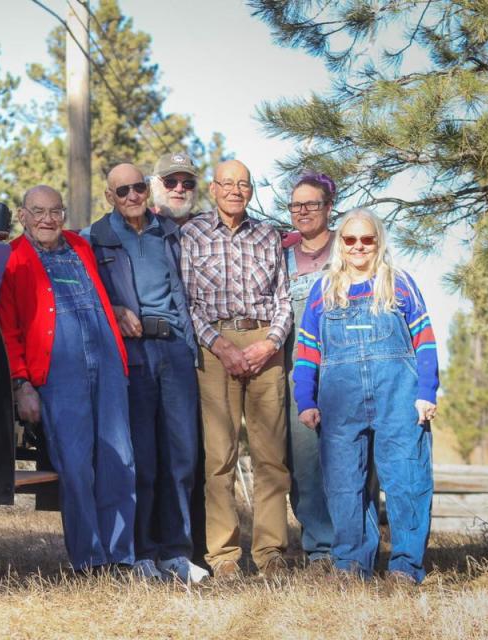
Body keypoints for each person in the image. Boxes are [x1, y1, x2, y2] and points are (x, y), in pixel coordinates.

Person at [0, 185, 137, 573]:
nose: (47, 219)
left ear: (64, 214)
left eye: (55, 211)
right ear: (23, 216)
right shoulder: (12, 260)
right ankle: (90, 559)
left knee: (119, 459)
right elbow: (7, 329)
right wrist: (22, 384)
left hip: (106, 360)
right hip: (59, 369)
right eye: (38, 212)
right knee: (75, 464)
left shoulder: (81, 246)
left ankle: (120, 556)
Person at [293, 208, 438, 584]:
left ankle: (406, 567)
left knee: (407, 479)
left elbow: (424, 341)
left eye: (367, 239)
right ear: (340, 243)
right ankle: (351, 566)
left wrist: (426, 391)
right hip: (341, 403)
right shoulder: (322, 290)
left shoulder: (399, 283)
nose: (359, 246)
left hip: (398, 398)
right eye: (350, 239)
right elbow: (307, 351)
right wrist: (306, 401)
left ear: (378, 242)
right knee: (344, 486)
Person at [84, 163, 208, 584]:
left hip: (173, 350)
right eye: (123, 191)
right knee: (142, 460)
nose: (133, 196)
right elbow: (84, 291)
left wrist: (191, 350)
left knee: (181, 457)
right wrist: (114, 310)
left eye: (139, 187)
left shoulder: (169, 233)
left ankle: (177, 551)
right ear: (110, 197)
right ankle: (141, 552)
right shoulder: (96, 237)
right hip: (130, 354)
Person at [180, 159, 293, 579]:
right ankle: (224, 556)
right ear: (213, 189)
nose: (235, 190)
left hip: (265, 344)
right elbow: (187, 302)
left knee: (271, 458)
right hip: (215, 348)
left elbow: (284, 298)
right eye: (227, 183)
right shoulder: (190, 234)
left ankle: (271, 553)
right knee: (219, 459)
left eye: (243, 184)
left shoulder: (268, 235)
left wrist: (270, 343)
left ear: (250, 190)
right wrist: (220, 344)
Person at [282, 172, 337, 567]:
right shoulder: (282, 254)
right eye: (296, 205)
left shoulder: (350, 246)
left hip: (348, 367)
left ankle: (356, 545)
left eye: (311, 204)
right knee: (305, 461)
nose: (303, 211)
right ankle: (320, 548)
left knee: (355, 459)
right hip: (299, 370)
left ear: (328, 207)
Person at [150, 152, 199, 225]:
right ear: (153, 185)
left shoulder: (205, 230)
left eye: (187, 184)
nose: (179, 189)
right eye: (170, 182)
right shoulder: (139, 224)